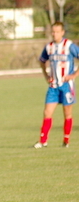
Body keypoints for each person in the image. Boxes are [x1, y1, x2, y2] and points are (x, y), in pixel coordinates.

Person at [36, 21, 79, 149]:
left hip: (67, 85)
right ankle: (43, 141)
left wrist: (74, 75)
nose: (54, 34)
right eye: (53, 32)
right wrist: (46, 75)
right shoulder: (49, 47)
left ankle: (66, 140)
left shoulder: (69, 45)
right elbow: (42, 61)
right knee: (47, 112)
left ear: (62, 32)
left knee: (67, 114)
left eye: (57, 32)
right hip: (53, 86)